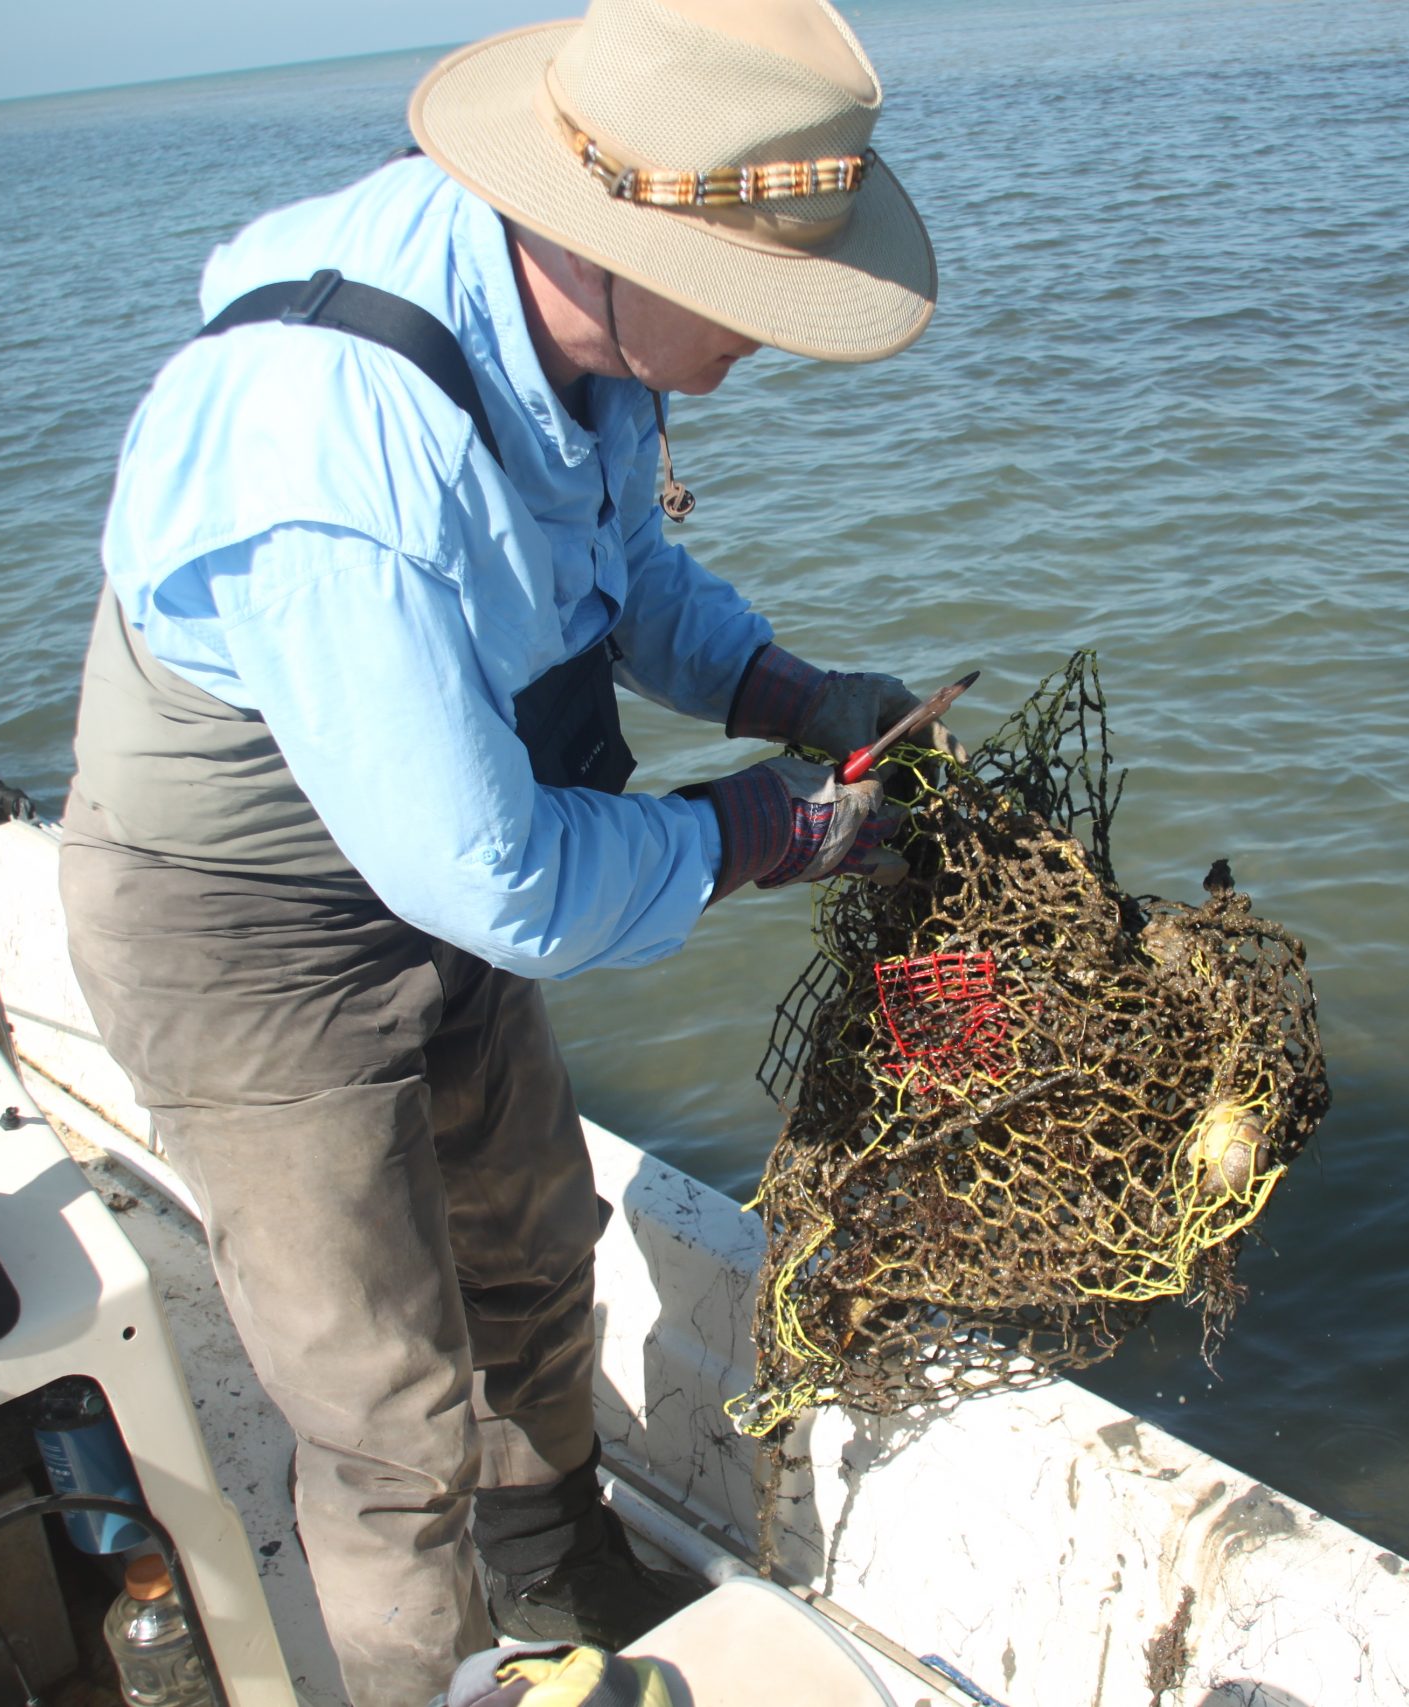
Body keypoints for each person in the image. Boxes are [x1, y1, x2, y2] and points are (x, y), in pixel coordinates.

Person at [56, 1, 952, 1700]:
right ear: (603, 240)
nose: (772, 342)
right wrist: (764, 830)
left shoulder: (573, 333)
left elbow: (616, 575)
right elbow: (511, 885)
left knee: (537, 1234)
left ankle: (553, 1558)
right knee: (385, 1412)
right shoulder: (333, 438)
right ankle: (440, 1684)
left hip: (455, 836)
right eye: (758, 303)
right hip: (247, 935)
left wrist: (776, 686)